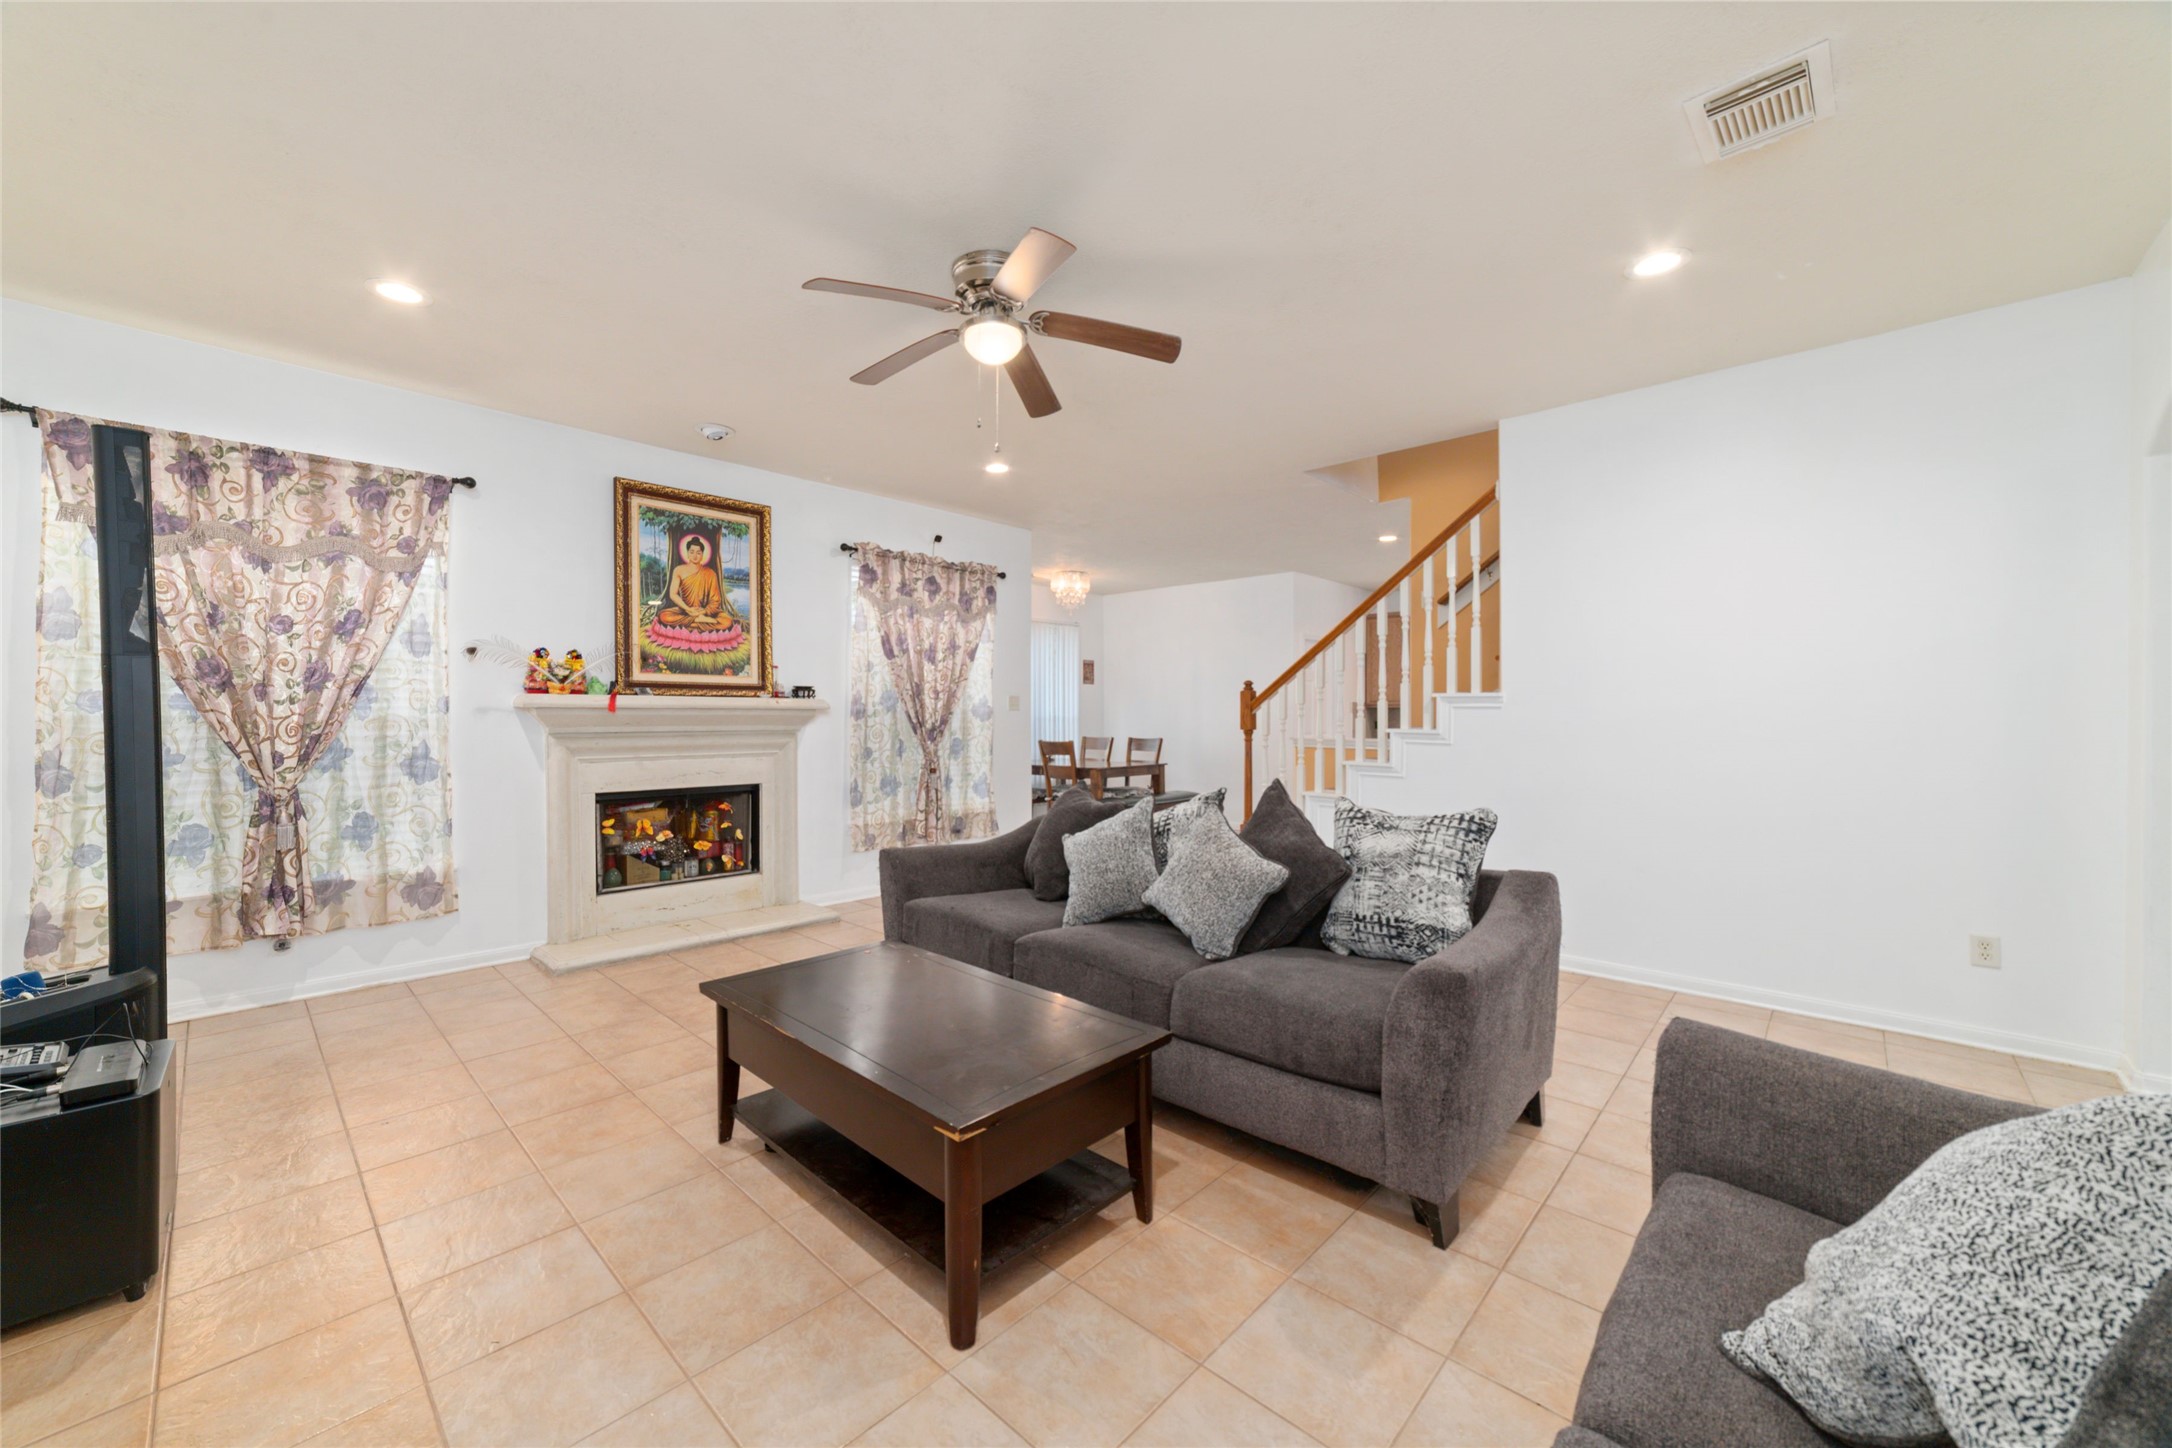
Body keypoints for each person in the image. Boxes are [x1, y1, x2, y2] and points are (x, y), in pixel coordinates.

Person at [656, 534, 737, 629]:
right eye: (692, 552)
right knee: (664, 616)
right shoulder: (678, 570)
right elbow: (673, 594)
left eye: (698, 553)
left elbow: (715, 601)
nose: (695, 556)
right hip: (685, 610)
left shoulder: (710, 573)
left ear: (702, 555)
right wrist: (688, 609)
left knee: (727, 621)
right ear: (687, 553)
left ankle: (692, 624)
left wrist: (703, 611)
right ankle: (698, 621)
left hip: (704, 612)